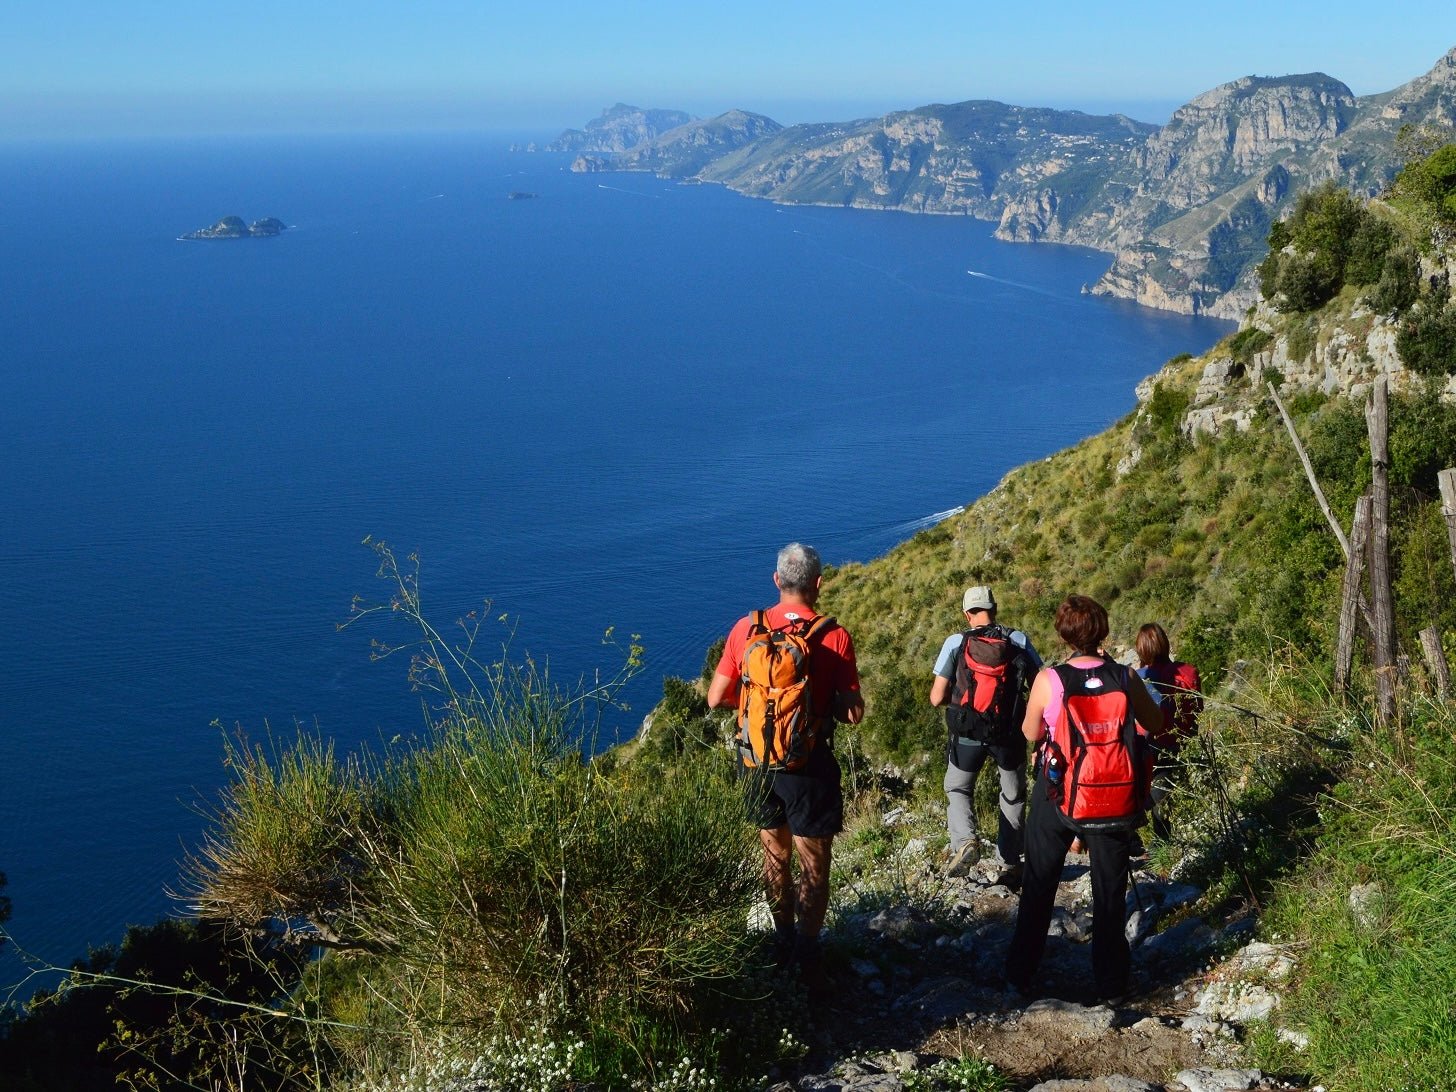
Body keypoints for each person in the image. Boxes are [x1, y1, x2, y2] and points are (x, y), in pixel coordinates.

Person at [706, 542, 863, 983]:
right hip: (808, 767)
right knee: (813, 864)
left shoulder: (746, 628)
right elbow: (853, 713)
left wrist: (758, 711)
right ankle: (808, 957)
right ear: (818, 583)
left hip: (757, 764)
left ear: (776, 580)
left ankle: (781, 942)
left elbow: (716, 697)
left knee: (775, 857)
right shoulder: (834, 636)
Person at [1003, 595, 1163, 1002]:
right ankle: (1112, 986)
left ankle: (1019, 977)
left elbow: (1030, 732)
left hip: (1058, 792)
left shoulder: (1050, 680)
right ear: (1103, 632)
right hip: (1114, 793)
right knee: (1109, 894)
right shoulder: (1125, 676)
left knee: (1040, 886)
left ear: (1064, 635)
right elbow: (1156, 722)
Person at [928, 585, 1041, 883]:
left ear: (967, 614)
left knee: (958, 788)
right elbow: (1041, 685)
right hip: (1009, 733)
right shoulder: (1018, 640)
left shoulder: (956, 642)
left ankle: (965, 841)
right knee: (1013, 795)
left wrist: (962, 700)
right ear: (995, 609)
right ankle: (1010, 863)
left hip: (968, 731)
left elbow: (936, 697)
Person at [1135, 622, 1203, 841]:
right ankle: (1164, 845)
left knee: (1156, 799)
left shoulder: (1142, 677)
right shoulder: (1189, 671)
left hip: (1154, 745)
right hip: (1184, 742)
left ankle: (1158, 846)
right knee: (1166, 797)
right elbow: (1198, 709)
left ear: (1142, 649)